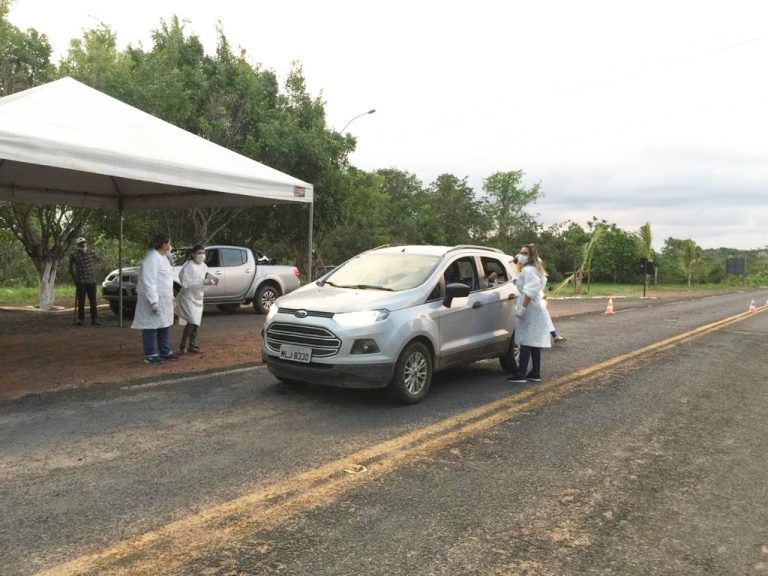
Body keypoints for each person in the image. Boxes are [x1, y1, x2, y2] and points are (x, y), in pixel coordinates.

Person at [131, 233, 179, 364]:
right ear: (163, 244)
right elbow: (149, 280)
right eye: (169, 243)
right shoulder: (152, 258)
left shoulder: (163, 257)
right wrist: (154, 301)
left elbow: (167, 279)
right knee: (151, 326)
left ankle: (165, 351)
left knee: (164, 324)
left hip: (164, 298)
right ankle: (150, 354)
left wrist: (171, 297)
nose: (171, 246)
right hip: (153, 299)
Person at [506, 244, 551, 383]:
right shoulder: (536, 269)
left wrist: (523, 308)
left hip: (530, 308)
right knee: (534, 341)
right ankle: (535, 372)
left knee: (525, 340)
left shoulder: (529, 270)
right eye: (520, 252)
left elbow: (529, 291)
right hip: (536, 307)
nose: (521, 255)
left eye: (525, 253)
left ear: (531, 256)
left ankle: (521, 373)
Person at [176, 244, 217, 354]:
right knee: (192, 320)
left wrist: (210, 281)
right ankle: (183, 345)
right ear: (193, 254)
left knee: (196, 322)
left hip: (198, 297)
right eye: (199, 253)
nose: (202, 255)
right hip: (188, 297)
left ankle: (192, 345)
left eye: (203, 253)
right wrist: (202, 282)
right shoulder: (188, 266)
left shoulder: (204, 266)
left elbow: (206, 278)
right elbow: (185, 283)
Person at [69, 236, 101, 326]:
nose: (83, 245)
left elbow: (99, 259)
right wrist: (75, 279)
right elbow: (70, 269)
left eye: (84, 243)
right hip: (80, 281)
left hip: (92, 281)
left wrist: (93, 263)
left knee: (93, 300)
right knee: (81, 300)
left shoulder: (91, 253)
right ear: (78, 245)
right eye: (81, 244)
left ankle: (94, 319)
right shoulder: (74, 254)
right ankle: (81, 319)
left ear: (86, 243)